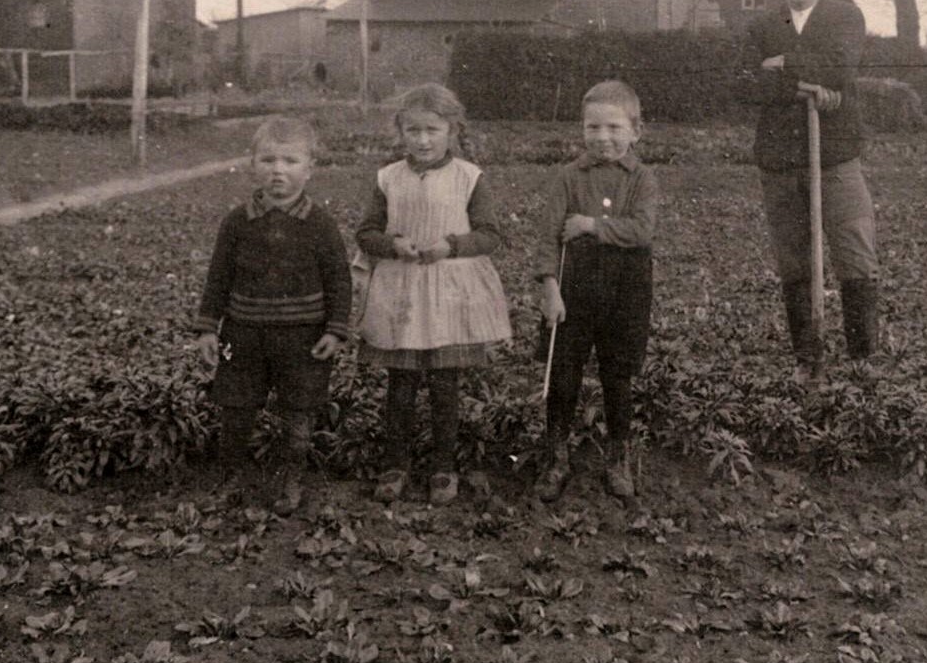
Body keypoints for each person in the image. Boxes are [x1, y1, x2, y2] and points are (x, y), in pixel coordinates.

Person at [354, 84, 512, 506]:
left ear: (452, 130)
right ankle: (395, 464)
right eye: (413, 130)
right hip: (403, 292)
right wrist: (393, 245)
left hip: (448, 295)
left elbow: (490, 235)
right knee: (401, 385)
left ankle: (443, 467)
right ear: (400, 132)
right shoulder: (388, 178)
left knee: (446, 385)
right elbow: (366, 233)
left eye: (432, 130)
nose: (422, 140)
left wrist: (451, 246)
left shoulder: (469, 177)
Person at [194, 116, 351, 513]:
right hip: (244, 334)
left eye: (290, 161)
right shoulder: (237, 222)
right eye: (267, 160)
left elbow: (339, 279)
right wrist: (208, 329)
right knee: (236, 410)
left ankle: (291, 481)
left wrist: (335, 330)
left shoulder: (320, 224)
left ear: (309, 169)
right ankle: (232, 479)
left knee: (298, 413)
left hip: (302, 337)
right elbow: (218, 277)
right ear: (252, 165)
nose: (278, 170)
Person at [746, 0, 881, 383]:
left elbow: (841, 68)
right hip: (781, 161)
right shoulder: (763, 25)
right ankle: (807, 357)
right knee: (794, 261)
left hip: (836, 157)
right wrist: (802, 80)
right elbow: (744, 84)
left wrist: (781, 65)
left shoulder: (845, 15)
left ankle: (863, 357)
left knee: (855, 254)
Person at [534, 81, 659, 501]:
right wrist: (550, 287)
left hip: (626, 288)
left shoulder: (642, 179)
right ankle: (556, 457)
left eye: (613, 127)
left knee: (617, 375)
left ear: (635, 131)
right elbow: (548, 236)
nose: (602, 137)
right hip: (574, 287)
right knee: (563, 374)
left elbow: (642, 230)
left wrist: (591, 226)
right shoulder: (568, 177)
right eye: (592, 128)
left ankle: (618, 457)